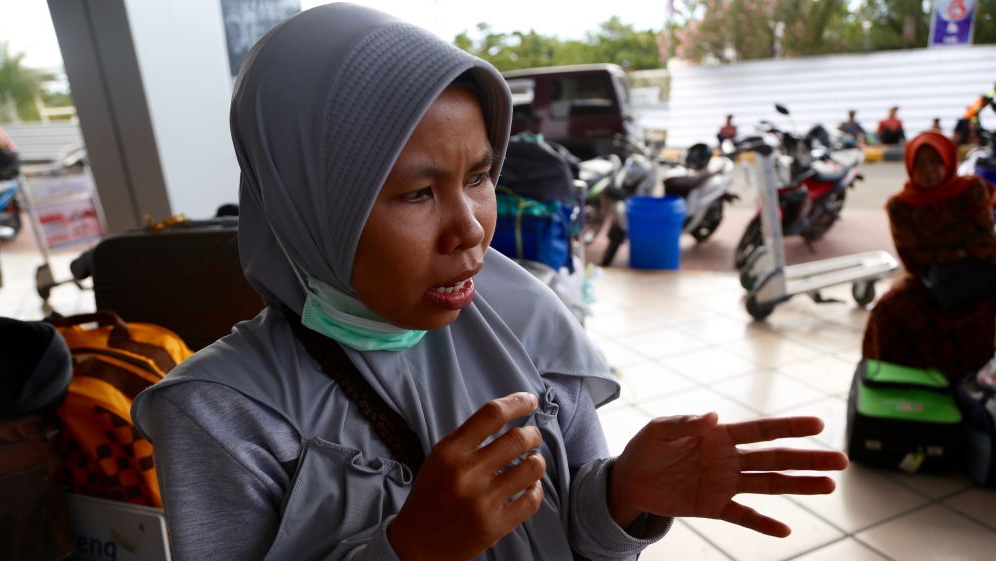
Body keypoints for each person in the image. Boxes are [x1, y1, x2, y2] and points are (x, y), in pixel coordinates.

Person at [130, 5, 846, 561]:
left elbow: (577, 537)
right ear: (308, 203)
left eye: (479, 177)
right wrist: (409, 548)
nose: (471, 229)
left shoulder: (528, 323)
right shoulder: (225, 415)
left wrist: (623, 494)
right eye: (417, 193)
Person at [863, 132, 996, 383]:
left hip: (977, 272)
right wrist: (960, 248)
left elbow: (985, 242)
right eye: (920, 164)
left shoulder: (971, 190)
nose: (928, 170)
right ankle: (891, 381)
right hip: (930, 277)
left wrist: (945, 249)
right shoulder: (901, 205)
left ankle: (975, 382)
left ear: (948, 160)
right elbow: (913, 259)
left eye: (935, 161)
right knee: (887, 309)